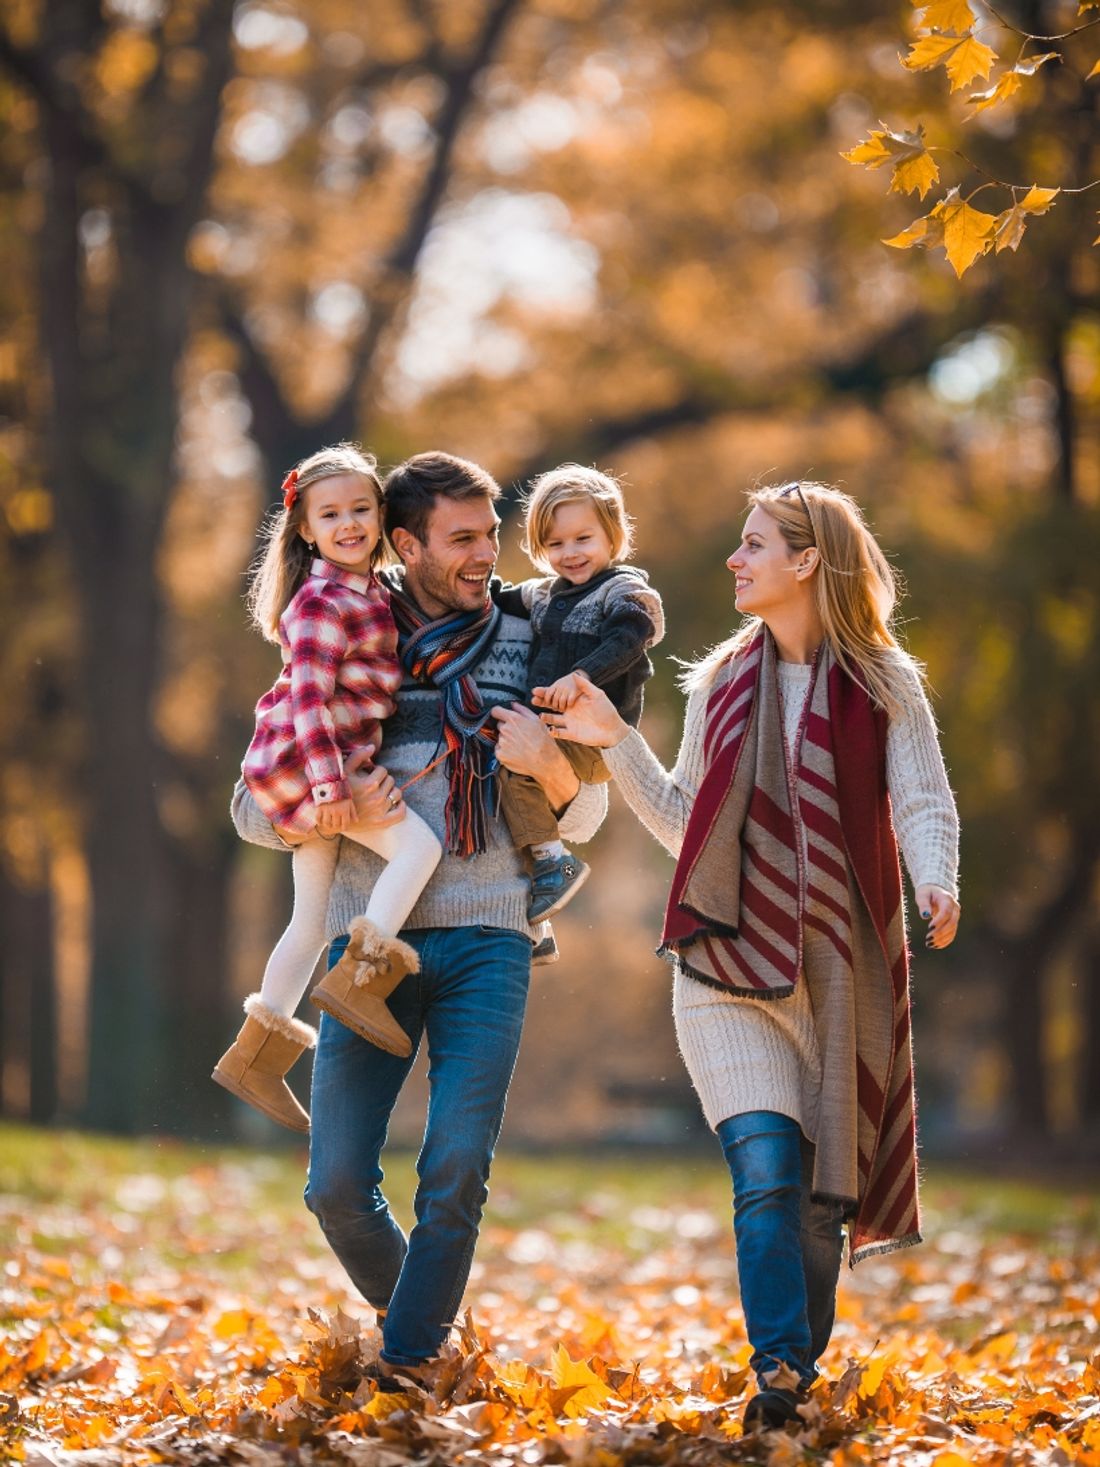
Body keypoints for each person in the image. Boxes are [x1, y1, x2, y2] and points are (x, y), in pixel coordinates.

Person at [537, 481, 960, 1431]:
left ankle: (795, 1372)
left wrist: (937, 878)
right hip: (725, 969)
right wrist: (617, 741)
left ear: (806, 561)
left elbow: (923, 796)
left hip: (838, 978)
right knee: (765, 1170)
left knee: (818, 1201)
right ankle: (776, 1369)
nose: (736, 560)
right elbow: (689, 824)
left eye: (754, 544)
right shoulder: (721, 680)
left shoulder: (885, 681)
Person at [229, 450, 607, 1383]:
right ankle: (429, 1330)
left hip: (490, 935)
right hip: (367, 947)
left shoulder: (531, 628)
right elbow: (248, 803)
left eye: (491, 533)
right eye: (465, 538)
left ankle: (409, 1365)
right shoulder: (348, 622)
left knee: (455, 1173)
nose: (490, 554)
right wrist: (341, 804)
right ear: (408, 543)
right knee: (336, 1187)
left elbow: (588, 808)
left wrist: (553, 769)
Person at [213, 444, 442, 1134]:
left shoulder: (368, 590)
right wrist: (329, 786)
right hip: (309, 766)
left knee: (310, 920)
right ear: (306, 528)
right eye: (331, 514)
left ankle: (256, 1057)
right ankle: (359, 982)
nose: (348, 524)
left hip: (315, 765)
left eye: (360, 510)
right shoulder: (319, 600)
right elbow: (308, 700)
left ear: (380, 514)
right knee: (418, 849)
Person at [494, 464, 664, 921]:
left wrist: (582, 675)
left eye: (583, 539)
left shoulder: (621, 589)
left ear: (612, 536)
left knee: (515, 772)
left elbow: (633, 634)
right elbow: (499, 596)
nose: (569, 553)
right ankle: (536, 902)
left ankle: (553, 864)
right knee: (504, 776)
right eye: (555, 544)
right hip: (555, 724)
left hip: (594, 734)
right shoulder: (548, 594)